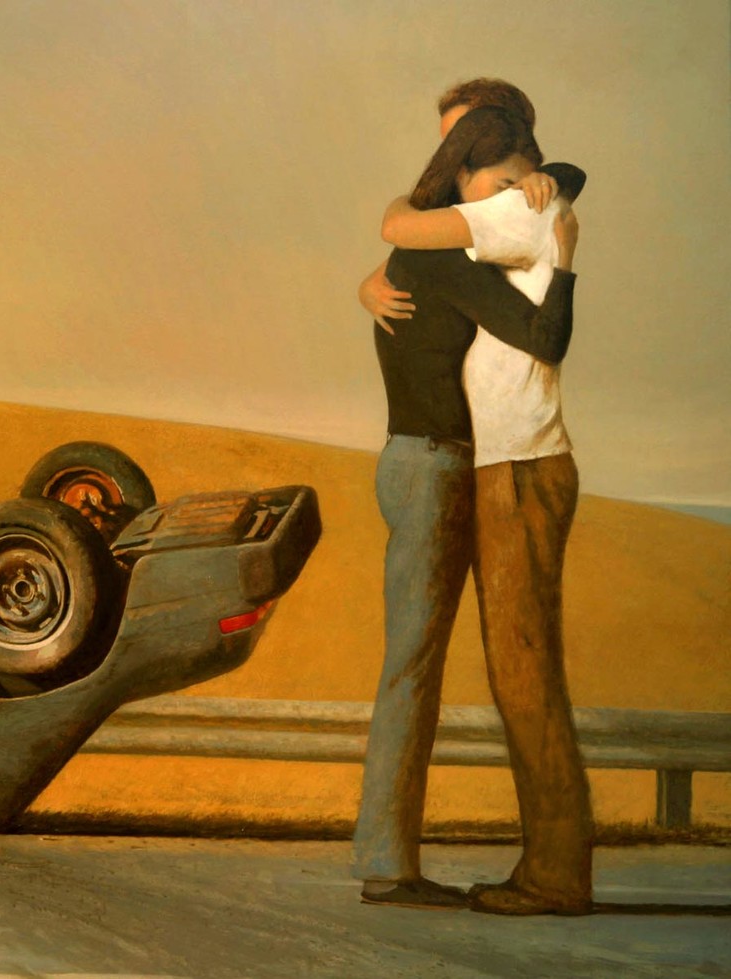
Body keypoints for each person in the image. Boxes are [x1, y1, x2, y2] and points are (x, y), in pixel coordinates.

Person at [351, 106, 580, 910]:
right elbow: (538, 330)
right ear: (460, 179)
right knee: (413, 666)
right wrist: (562, 255)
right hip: (433, 465)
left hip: (429, 462)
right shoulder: (445, 254)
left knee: (415, 662)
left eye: (524, 181)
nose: (515, 198)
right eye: (500, 181)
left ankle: (388, 859)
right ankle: (386, 863)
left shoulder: (425, 243)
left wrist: (542, 192)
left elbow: (553, 193)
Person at [358, 79, 557, 334]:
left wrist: (402, 204)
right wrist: (369, 286)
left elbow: (395, 228)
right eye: (448, 144)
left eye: (462, 139)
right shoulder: (472, 199)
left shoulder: (514, 204)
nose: (451, 157)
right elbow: (415, 245)